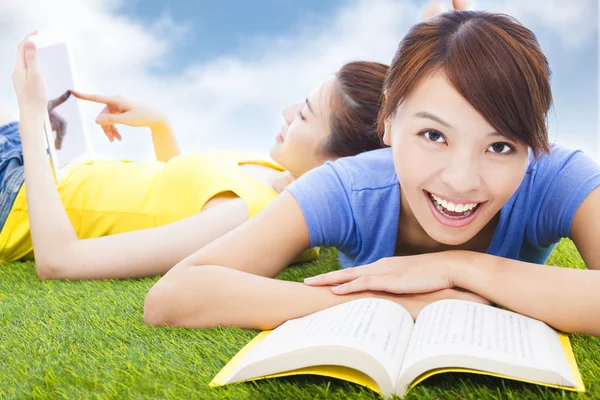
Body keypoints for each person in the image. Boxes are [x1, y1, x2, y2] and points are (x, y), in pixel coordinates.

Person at [140, 9, 600, 337]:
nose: (462, 180)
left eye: (500, 146)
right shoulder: (349, 189)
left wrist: (456, 266)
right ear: (387, 125)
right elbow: (173, 296)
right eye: (433, 136)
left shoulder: (555, 177)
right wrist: (394, 302)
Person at [4, 54, 388, 279]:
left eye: (303, 116)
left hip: (15, 201)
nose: (287, 114)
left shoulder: (249, 218)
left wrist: (32, 116)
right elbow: (176, 201)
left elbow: (59, 260)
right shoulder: (276, 172)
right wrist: (159, 125)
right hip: (42, 165)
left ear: (339, 166)